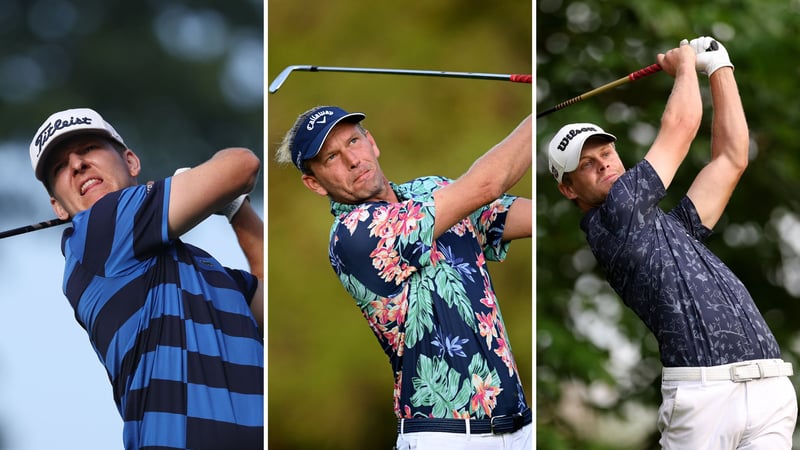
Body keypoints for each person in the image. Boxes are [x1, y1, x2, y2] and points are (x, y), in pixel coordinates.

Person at [547, 37, 797, 448]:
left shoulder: (669, 228)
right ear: (569, 190)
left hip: (769, 384)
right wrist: (684, 65)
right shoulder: (614, 220)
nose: (603, 164)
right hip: (703, 398)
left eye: (606, 152)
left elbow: (731, 158)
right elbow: (681, 127)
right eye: (586, 165)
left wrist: (718, 65)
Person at [276, 106, 533, 448]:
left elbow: (520, 215)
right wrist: (536, 117)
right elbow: (485, 184)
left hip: (520, 426)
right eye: (332, 158)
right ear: (314, 183)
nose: (352, 159)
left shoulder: (433, 190)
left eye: (354, 141)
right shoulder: (353, 234)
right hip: (444, 437)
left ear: (372, 143)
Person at [29, 108, 264, 450]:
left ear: (131, 162)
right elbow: (241, 165)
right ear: (59, 208)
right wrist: (209, 183)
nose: (77, 164)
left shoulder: (203, 268)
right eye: (59, 167)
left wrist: (237, 209)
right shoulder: (98, 231)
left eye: (89, 148)